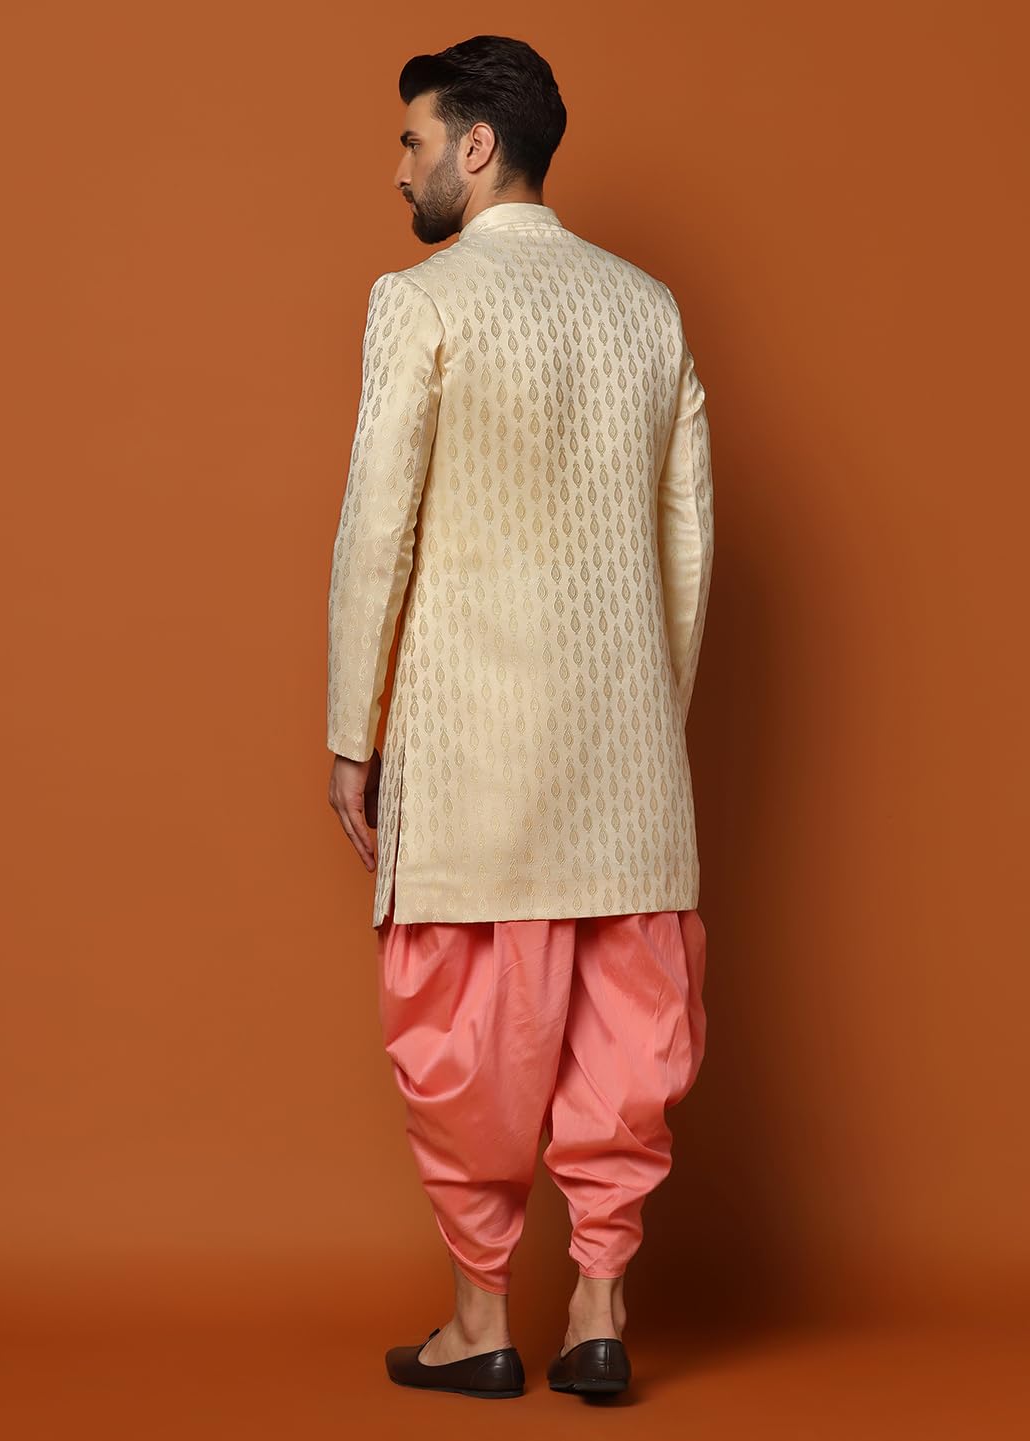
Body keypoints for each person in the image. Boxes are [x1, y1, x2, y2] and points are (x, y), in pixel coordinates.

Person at [326, 35, 714, 1401]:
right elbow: (687, 545)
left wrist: (354, 731)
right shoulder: (648, 308)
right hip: (627, 756)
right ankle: (598, 1309)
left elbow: (377, 530)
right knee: (630, 1025)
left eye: (413, 140)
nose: (401, 170)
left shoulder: (419, 302)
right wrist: (650, 716)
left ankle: (481, 1322)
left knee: (461, 1030)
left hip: (473, 745)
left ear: (475, 145)